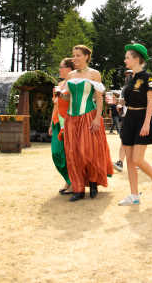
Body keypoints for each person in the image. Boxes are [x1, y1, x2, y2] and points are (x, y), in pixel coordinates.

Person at [61, 45, 114, 202]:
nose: (75, 58)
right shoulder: (70, 75)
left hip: (88, 116)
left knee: (88, 151)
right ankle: (78, 189)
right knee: (73, 153)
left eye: (78, 55)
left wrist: (97, 118)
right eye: (73, 55)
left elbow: (99, 98)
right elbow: (68, 97)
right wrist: (60, 95)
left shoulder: (94, 74)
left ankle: (93, 182)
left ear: (86, 57)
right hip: (71, 118)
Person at [118, 43, 152, 206]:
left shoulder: (148, 77)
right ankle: (134, 195)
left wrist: (146, 124)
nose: (125, 60)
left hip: (142, 118)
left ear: (137, 59)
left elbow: (150, 101)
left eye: (127, 57)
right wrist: (118, 103)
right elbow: (128, 100)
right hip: (129, 118)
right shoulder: (130, 79)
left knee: (137, 159)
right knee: (130, 161)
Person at [49, 58, 75, 195]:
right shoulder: (59, 85)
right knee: (56, 153)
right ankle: (68, 179)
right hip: (56, 123)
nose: (59, 69)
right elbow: (56, 105)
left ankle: (71, 182)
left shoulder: (73, 84)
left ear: (69, 69)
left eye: (62, 67)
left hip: (67, 122)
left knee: (67, 154)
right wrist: (50, 124)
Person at [113, 70, 134, 172]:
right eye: (126, 75)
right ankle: (120, 162)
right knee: (124, 140)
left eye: (129, 75)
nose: (127, 77)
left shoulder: (138, 87)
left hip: (136, 117)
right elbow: (121, 102)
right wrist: (118, 105)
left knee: (135, 142)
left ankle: (136, 162)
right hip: (126, 117)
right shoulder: (124, 89)